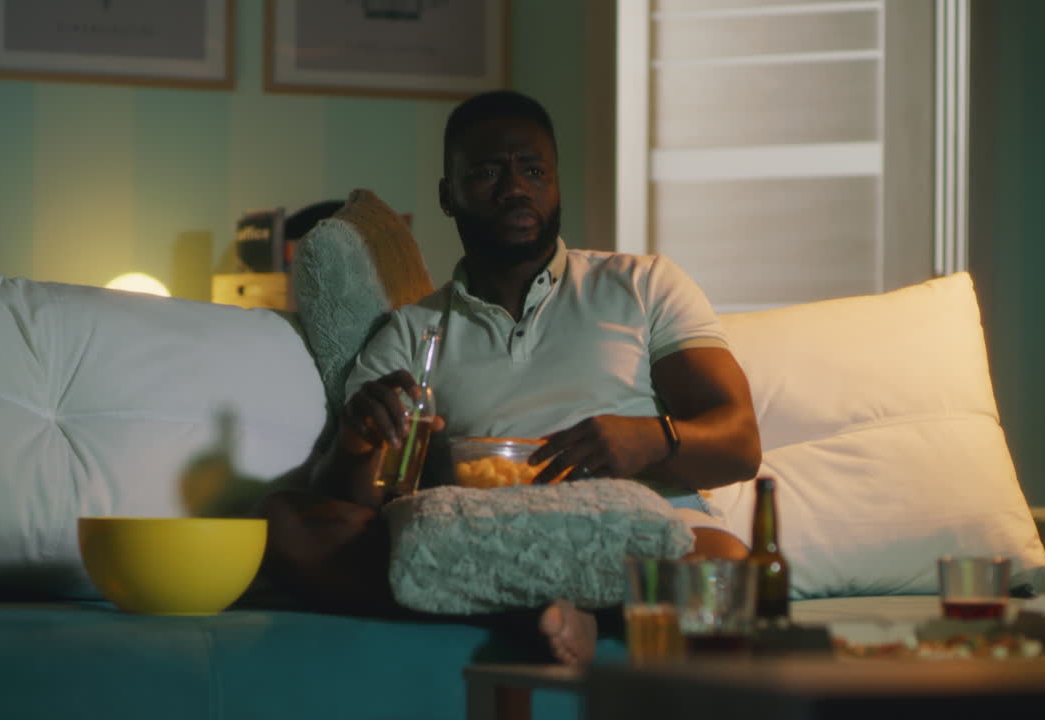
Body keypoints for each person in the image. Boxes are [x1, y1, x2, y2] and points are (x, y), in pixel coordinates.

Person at [260, 90, 762, 666]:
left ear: (556, 184)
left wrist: (647, 440)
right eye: (487, 173)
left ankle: (541, 611)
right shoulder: (409, 330)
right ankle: (537, 610)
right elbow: (356, 498)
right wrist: (356, 440)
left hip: (639, 536)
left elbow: (740, 443)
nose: (514, 188)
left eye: (532, 170)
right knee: (286, 523)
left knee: (727, 573)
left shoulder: (646, 284)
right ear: (448, 196)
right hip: (486, 538)